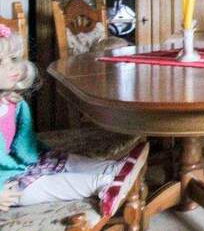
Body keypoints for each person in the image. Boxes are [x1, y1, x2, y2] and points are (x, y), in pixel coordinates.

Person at [0, 24, 144, 213]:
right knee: (39, 186)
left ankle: (113, 168)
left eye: (13, 59)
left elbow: (24, 143)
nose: (12, 67)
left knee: (60, 159)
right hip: (7, 182)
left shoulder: (12, 102)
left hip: (22, 164)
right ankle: (103, 183)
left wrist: (39, 155)